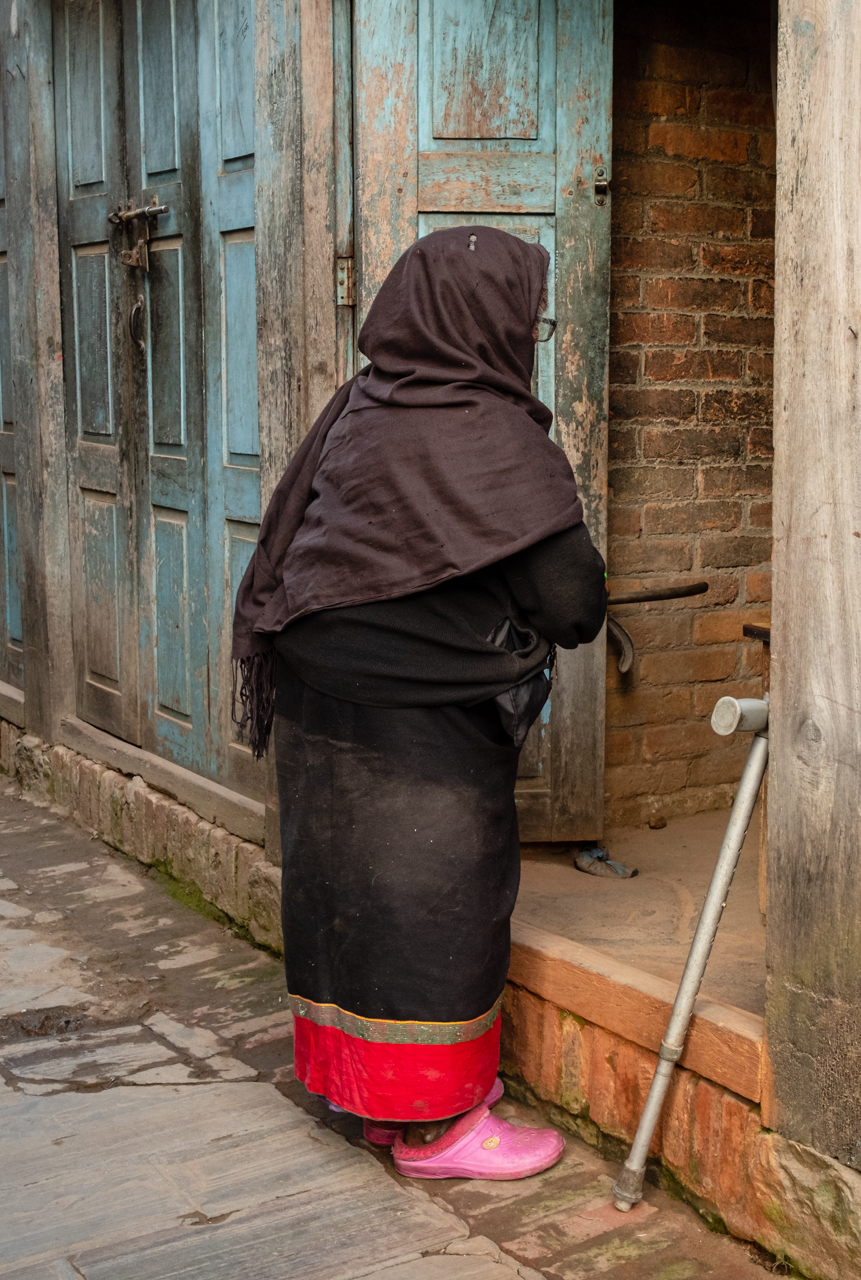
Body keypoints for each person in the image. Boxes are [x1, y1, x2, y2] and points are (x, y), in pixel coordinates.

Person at [230, 225, 607, 1180]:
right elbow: (571, 603)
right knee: (436, 905)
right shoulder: (494, 438)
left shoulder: (357, 410)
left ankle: (365, 1097)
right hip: (420, 721)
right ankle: (438, 1128)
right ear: (490, 324)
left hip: (318, 699)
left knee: (342, 900)